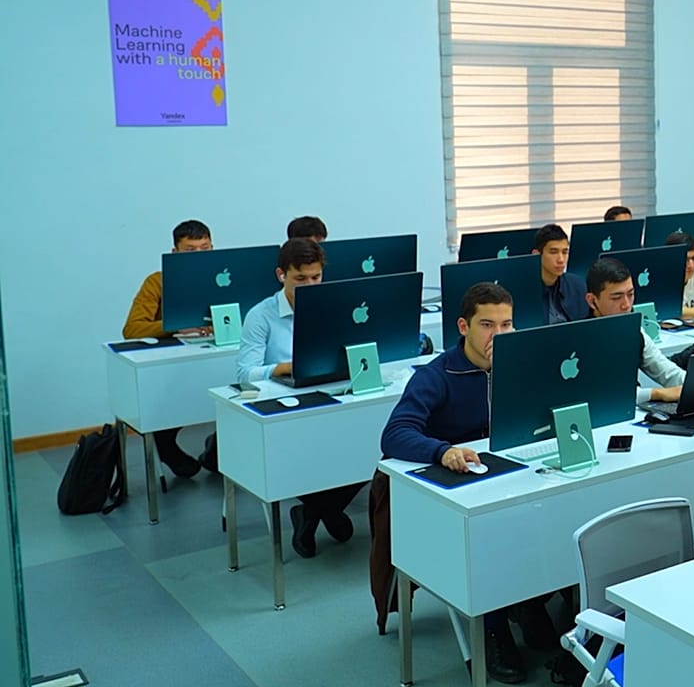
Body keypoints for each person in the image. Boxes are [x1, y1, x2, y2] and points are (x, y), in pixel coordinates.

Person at [379, 281, 550, 683]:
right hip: (454, 493)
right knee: (493, 534)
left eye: (507, 325)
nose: (500, 335)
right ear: (463, 326)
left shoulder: (523, 363)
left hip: (511, 478)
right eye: (488, 325)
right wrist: (441, 450)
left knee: (553, 515)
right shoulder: (436, 375)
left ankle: (529, 598)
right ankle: (492, 624)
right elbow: (394, 434)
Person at [235, 238, 364, 558]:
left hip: (332, 391)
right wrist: (284, 367)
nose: (310, 286)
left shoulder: (335, 306)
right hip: (286, 404)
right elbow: (244, 373)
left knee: (368, 447)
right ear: (282, 275)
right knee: (310, 456)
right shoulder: (260, 315)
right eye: (300, 279)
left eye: (316, 278)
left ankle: (314, 512)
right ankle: (327, 510)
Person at [122, 219, 214, 478]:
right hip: (173, 362)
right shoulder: (157, 282)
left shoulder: (223, 278)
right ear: (175, 253)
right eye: (190, 250)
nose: (198, 256)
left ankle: (217, 451)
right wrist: (174, 325)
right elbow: (132, 329)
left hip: (214, 353)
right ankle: (165, 443)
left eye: (205, 249)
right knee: (179, 401)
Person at [584, 257, 686, 405]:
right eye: (616, 297)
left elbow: (666, 371)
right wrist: (656, 393)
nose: (626, 305)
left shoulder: (635, 331)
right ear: (592, 301)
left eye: (630, 294)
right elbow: (601, 395)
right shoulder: (581, 339)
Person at [532, 224, 587, 324]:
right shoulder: (525, 292)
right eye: (553, 252)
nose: (561, 259)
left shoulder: (577, 286)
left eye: (565, 252)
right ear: (537, 254)